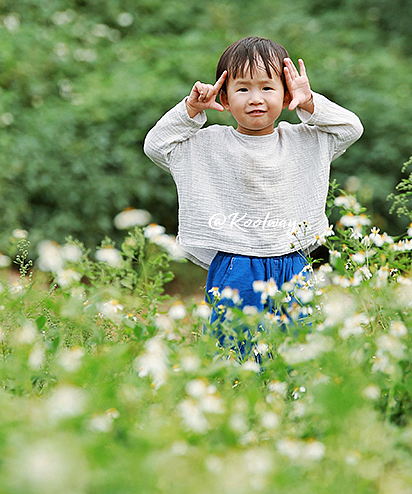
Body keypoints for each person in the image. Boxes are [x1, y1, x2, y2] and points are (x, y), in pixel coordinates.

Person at [143, 36, 363, 342]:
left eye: (267, 87)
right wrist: (191, 110)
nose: (255, 98)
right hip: (235, 262)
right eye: (243, 88)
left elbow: (351, 128)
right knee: (236, 343)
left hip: (292, 259)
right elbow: (156, 146)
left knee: (297, 344)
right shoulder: (210, 143)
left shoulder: (304, 140)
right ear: (224, 97)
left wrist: (310, 101)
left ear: (286, 96)